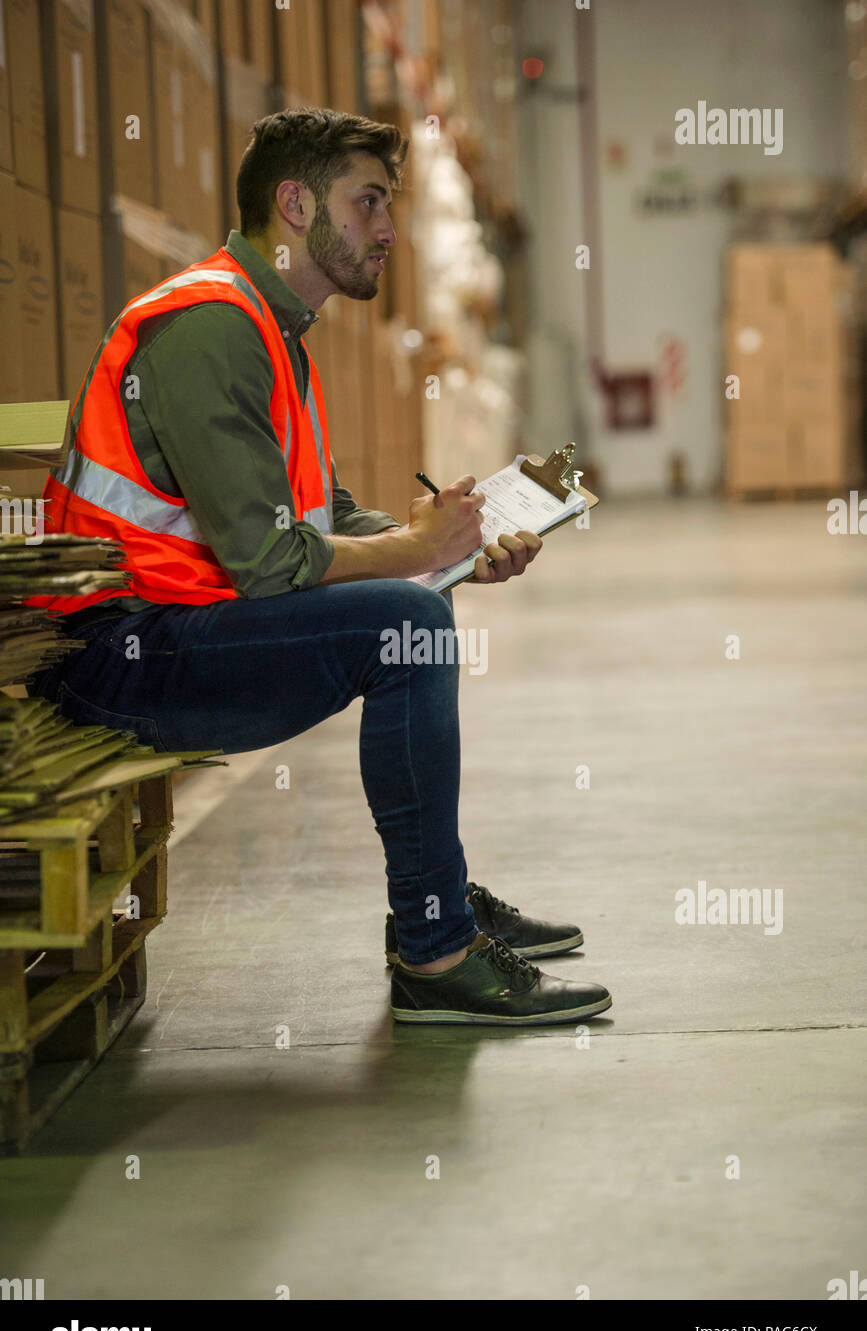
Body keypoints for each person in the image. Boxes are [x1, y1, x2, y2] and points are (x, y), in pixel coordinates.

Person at [24, 107, 612, 1027]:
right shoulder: (212, 327)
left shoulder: (269, 324)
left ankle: (437, 900)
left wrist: (455, 546)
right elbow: (267, 563)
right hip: (120, 655)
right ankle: (435, 948)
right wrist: (417, 557)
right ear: (295, 204)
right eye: (367, 202)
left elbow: (320, 517)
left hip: (175, 630)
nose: (386, 230)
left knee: (413, 607)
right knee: (406, 627)